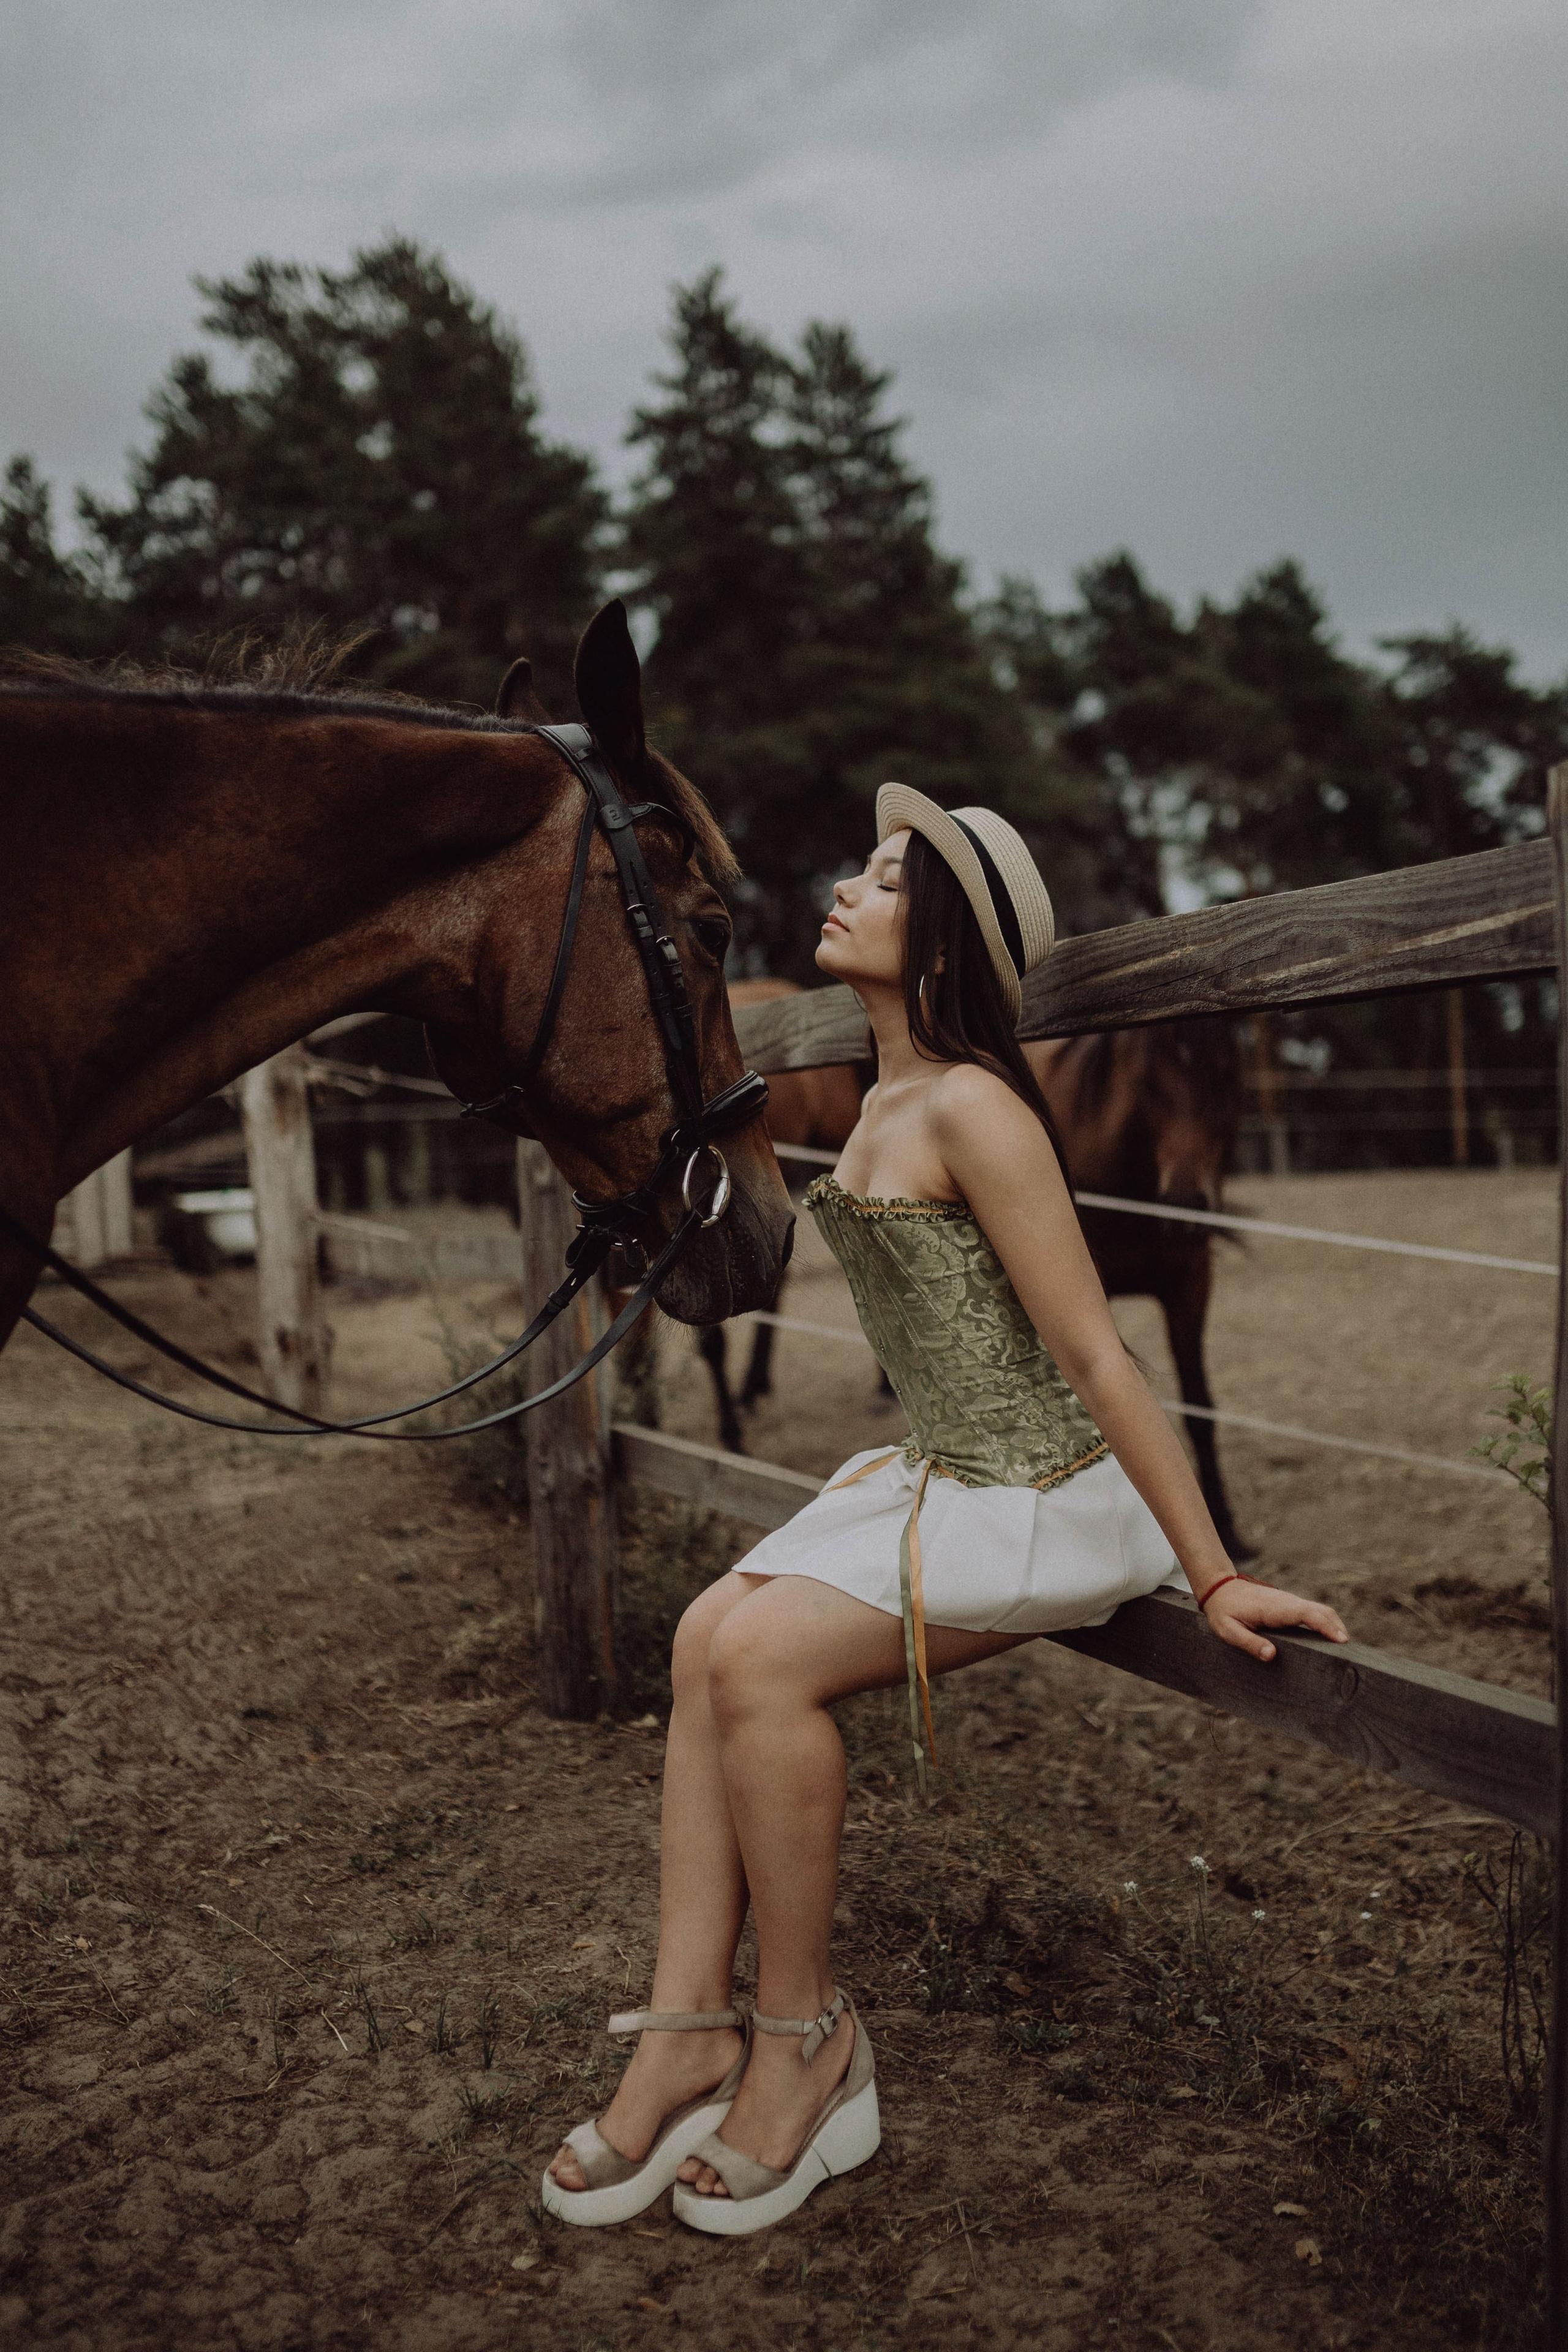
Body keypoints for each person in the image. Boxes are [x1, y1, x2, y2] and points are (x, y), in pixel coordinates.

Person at [543, 786, 1350, 2237]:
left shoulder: (974, 1105)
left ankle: (804, 2045)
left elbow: (1095, 1349)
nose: (849, 886)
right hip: (942, 1470)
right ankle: (682, 2032)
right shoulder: (875, 1097)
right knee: (697, 1638)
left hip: (1037, 1494)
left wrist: (1212, 1571)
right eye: (859, 862)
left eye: (890, 878)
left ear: (948, 941)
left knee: (763, 1662)